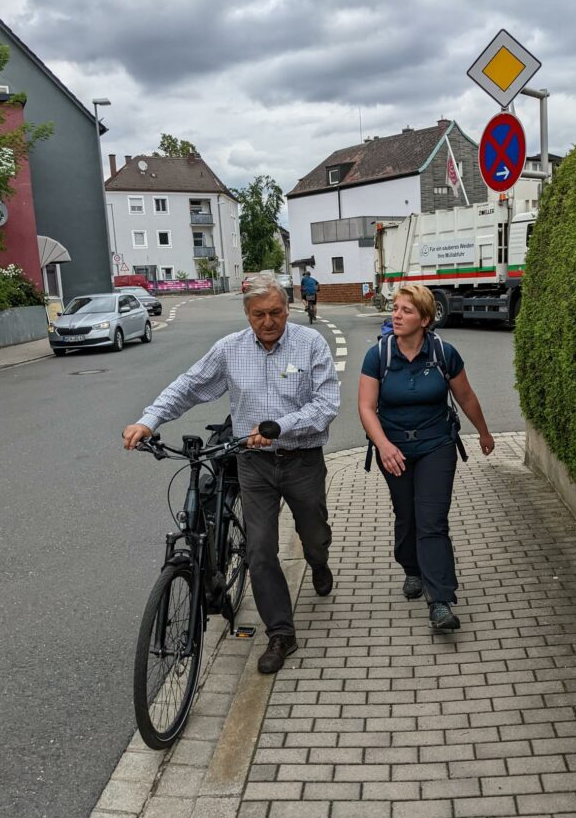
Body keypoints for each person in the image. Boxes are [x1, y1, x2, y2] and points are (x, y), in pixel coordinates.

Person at [122, 274, 340, 674]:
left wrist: (280, 426)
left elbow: (326, 404)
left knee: (314, 534)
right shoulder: (229, 350)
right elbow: (188, 386)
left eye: (276, 312)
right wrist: (148, 420)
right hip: (252, 464)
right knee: (259, 551)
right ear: (247, 314)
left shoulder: (311, 345)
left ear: (287, 308)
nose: (269, 321)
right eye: (259, 314)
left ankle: (319, 561)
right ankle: (280, 632)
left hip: (302, 459)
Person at [358, 285, 495, 631]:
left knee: (432, 520)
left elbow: (465, 397)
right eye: (395, 309)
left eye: (406, 310)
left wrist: (484, 432)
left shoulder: (443, 354)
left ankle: (441, 600)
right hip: (395, 449)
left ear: (425, 318)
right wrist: (384, 446)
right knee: (407, 516)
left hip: (437, 445)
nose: (396, 315)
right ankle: (411, 568)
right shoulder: (379, 355)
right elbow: (366, 407)